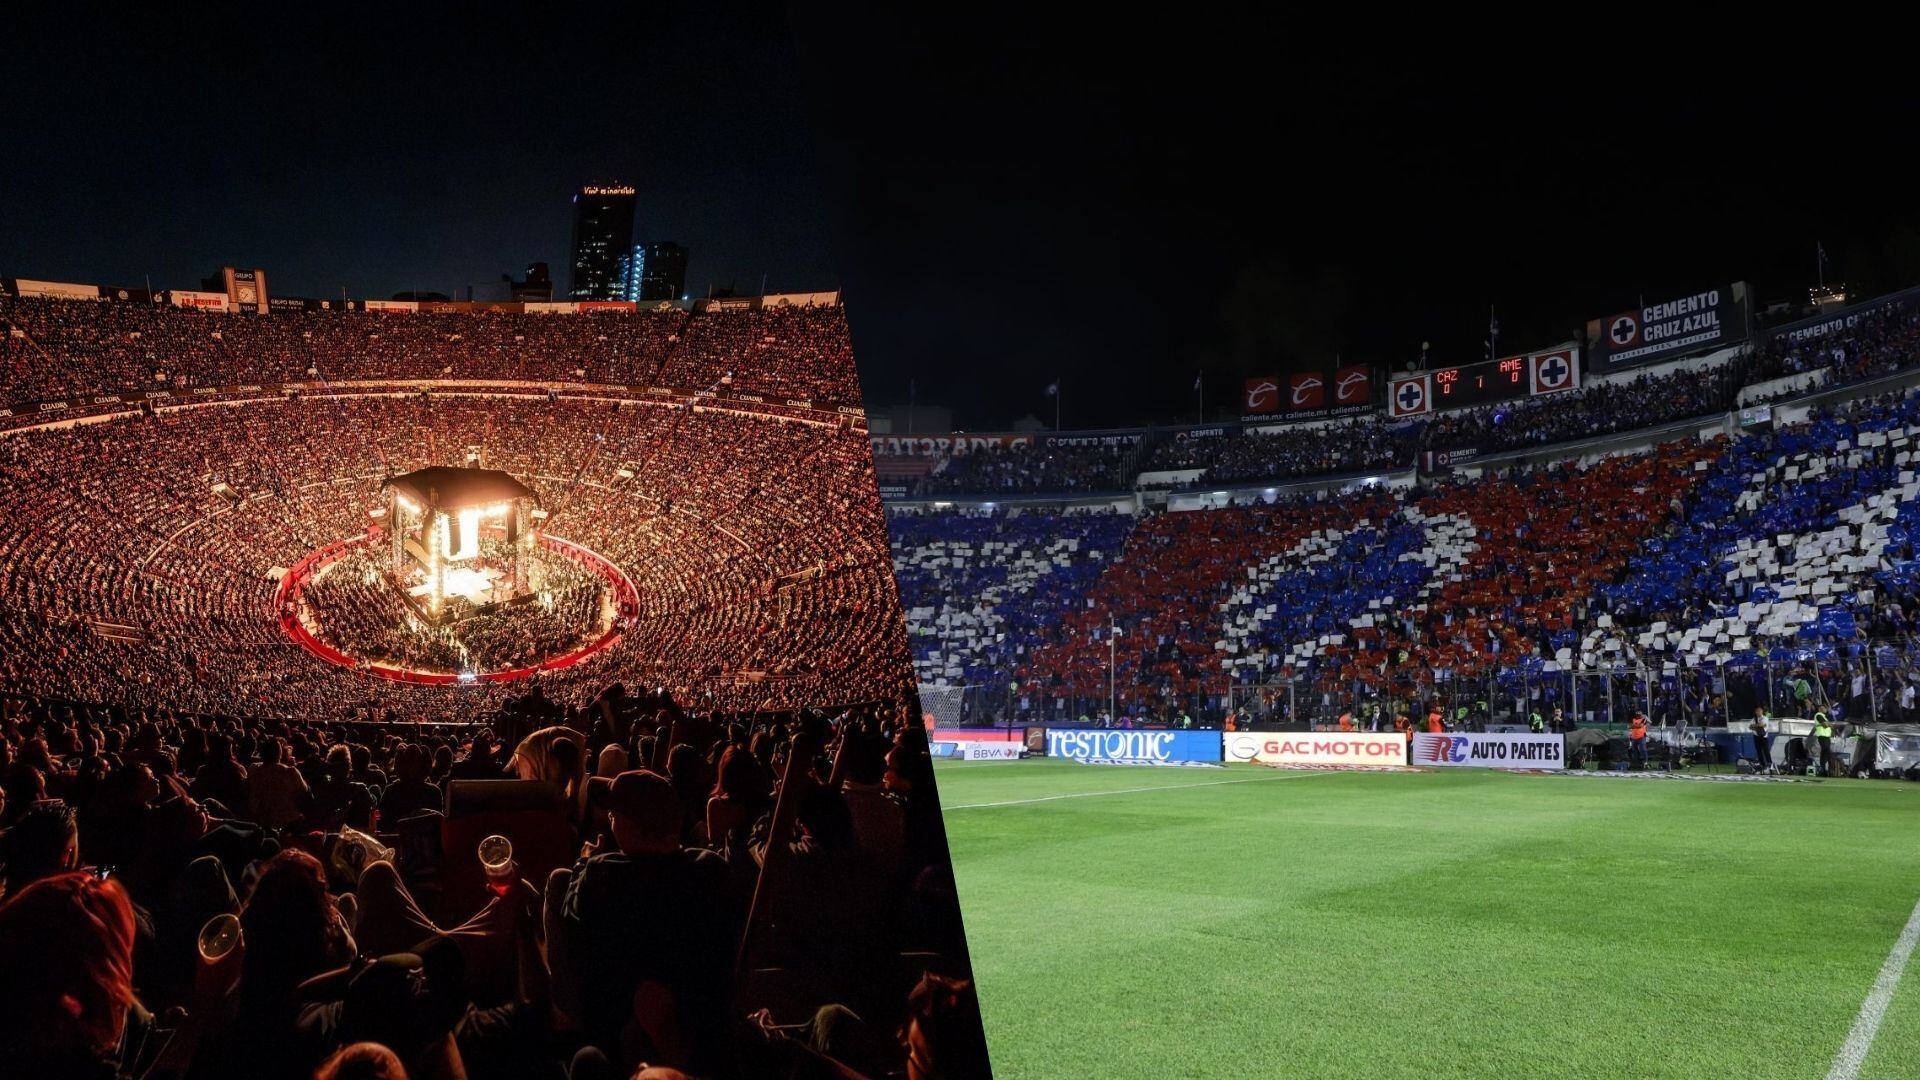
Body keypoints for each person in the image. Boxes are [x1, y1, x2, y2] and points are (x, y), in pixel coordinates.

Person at [1750, 708, 1773, 773]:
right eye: (1757, 711)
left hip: (1764, 737)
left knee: (1766, 751)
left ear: (1762, 711)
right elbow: (1750, 727)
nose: (1758, 712)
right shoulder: (1753, 719)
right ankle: (1762, 764)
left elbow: (1762, 725)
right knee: (1759, 751)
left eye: (1759, 711)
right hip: (1756, 736)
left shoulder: (1765, 718)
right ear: (1755, 712)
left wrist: (1755, 726)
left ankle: (1770, 764)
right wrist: (1758, 726)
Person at [1812, 710, 1835, 777]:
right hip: (1822, 736)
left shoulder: (1824, 717)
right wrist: (1829, 724)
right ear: (1820, 709)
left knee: (1824, 753)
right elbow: (1825, 725)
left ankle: (1823, 770)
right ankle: (1830, 770)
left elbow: (1829, 725)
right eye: (1824, 707)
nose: (1825, 709)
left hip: (1826, 737)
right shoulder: (1819, 715)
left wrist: (1828, 725)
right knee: (1828, 753)